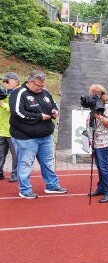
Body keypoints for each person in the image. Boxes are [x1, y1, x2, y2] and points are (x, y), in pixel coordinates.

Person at [9, 70, 67, 199]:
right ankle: (25, 190)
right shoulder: (19, 93)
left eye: (43, 85)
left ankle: (52, 185)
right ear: (30, 82)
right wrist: (39, 116)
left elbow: (54, 105)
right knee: (25, 163)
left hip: (45, 136)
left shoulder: (45, 92)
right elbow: (17, 113)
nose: (41, 88)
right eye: (38, 86)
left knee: (48, 162)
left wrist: (54, 112)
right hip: (26, 137)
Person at [85, 84, 108, 203]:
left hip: (104, 142)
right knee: (99, 167)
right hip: (95, 141)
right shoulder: (93, 106)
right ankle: (101, 188)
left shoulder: (106, 107)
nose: (89, 96)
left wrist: (98, 116)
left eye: (91, 94)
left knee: (105, 167)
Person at [0, 72, 19, 182]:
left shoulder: (19, 93)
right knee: (0, 153)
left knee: (16, 154)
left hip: (13, 130)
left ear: (16, 82)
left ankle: (15, 173)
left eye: (7, 81)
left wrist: (3, 103)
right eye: (3, 81)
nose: (5, 83)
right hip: (1, 129)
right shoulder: (3, 93)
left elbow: (15, 108)